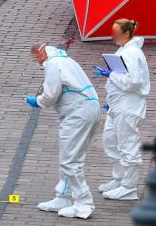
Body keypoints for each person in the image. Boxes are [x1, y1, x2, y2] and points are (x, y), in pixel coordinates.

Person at [24, 43, 101, 219]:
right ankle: (63, 196)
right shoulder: (66, 60)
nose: (37, 61)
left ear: (41, 52)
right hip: (87, 108)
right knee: (72, 157)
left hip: (77, 112)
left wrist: (38, 101)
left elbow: (51, 95)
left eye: (36, 57)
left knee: (70, 160)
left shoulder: (53, 63)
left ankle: (83, 203)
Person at [94, 19, 150, 200]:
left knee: (128, 145)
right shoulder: (123, 50)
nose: (113, 35)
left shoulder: (132, 53)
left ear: (126, 33)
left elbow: (133, 82)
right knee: (110, 140)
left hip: (128, 106)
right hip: (118, 106)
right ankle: (119, 178)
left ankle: (129, 187)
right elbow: (122, 76)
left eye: (116, 32)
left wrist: (112, 75)